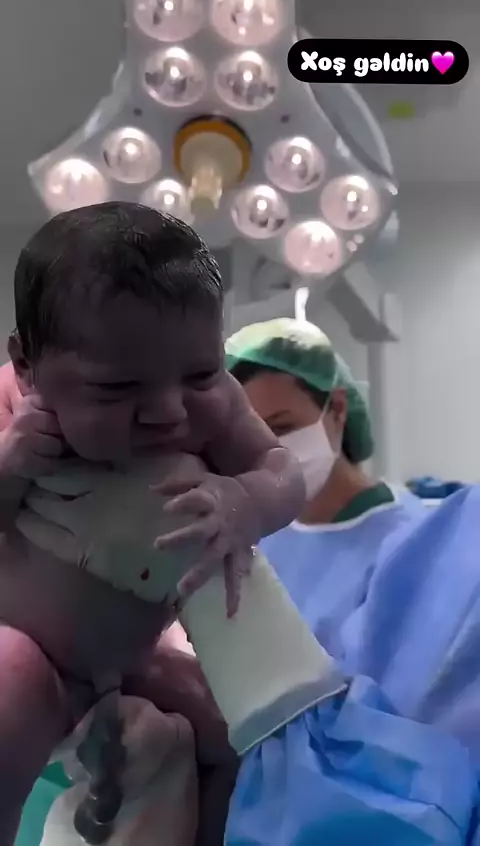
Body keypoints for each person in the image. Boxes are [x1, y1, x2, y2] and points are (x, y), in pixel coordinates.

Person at [0, 202, 305, 845]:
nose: (169, 410)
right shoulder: (14, 413)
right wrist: (10, 467)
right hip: (28, 647)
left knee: (234, 732)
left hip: (130, 661)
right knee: (10, 685)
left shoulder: (217, 401)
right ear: (27, 366)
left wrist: (244, 501)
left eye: (199, 373)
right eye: (116, 389)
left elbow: (283, 472)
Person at [226, 318, 425, 658]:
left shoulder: (412, 542)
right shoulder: (258, 539)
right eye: (252, 435)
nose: (270, 451)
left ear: (338, 410)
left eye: (283, 426)